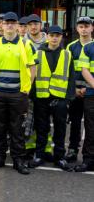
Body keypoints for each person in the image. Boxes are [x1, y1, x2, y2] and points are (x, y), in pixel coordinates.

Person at [0, 12, 33, 175]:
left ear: (17, 25)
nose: (10, 26)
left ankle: (18, 159)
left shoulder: (26, 45)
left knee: (17, 128)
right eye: (7, 23)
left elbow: (32, 68)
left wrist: (26, 89)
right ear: (2, 25)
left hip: (17, 94)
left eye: (13, 23)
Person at [29, 25, 73, 171]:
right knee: (41, 128)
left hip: (60, 98)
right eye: (52, 35)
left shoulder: (67, 54)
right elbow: (32, 76)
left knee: (60, 129)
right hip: (41, 98)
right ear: (47, 36)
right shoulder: (38, 53)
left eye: (57, 36)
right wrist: (33, 96)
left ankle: (59, 157)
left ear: (61, 38)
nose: (54, 38)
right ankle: (39, 155)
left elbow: (70, 78)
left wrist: (67, 99)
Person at [66, 16, 92, 162]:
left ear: (91, 28)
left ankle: (89, 153)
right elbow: (67, 72)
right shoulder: (71, 47)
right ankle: (72, 150)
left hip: (91, 92)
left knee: (90, 125)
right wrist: (73, 89)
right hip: (75, 92)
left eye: (86, 26)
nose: (83, 29)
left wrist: (87, 89)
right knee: (75, 123)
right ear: (77, 29)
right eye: (81, 26)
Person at [77, 34, 94, 172]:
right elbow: (84, 69)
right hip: (92, 94)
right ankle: (88, 159)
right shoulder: (88, 48)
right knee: (90, 127)